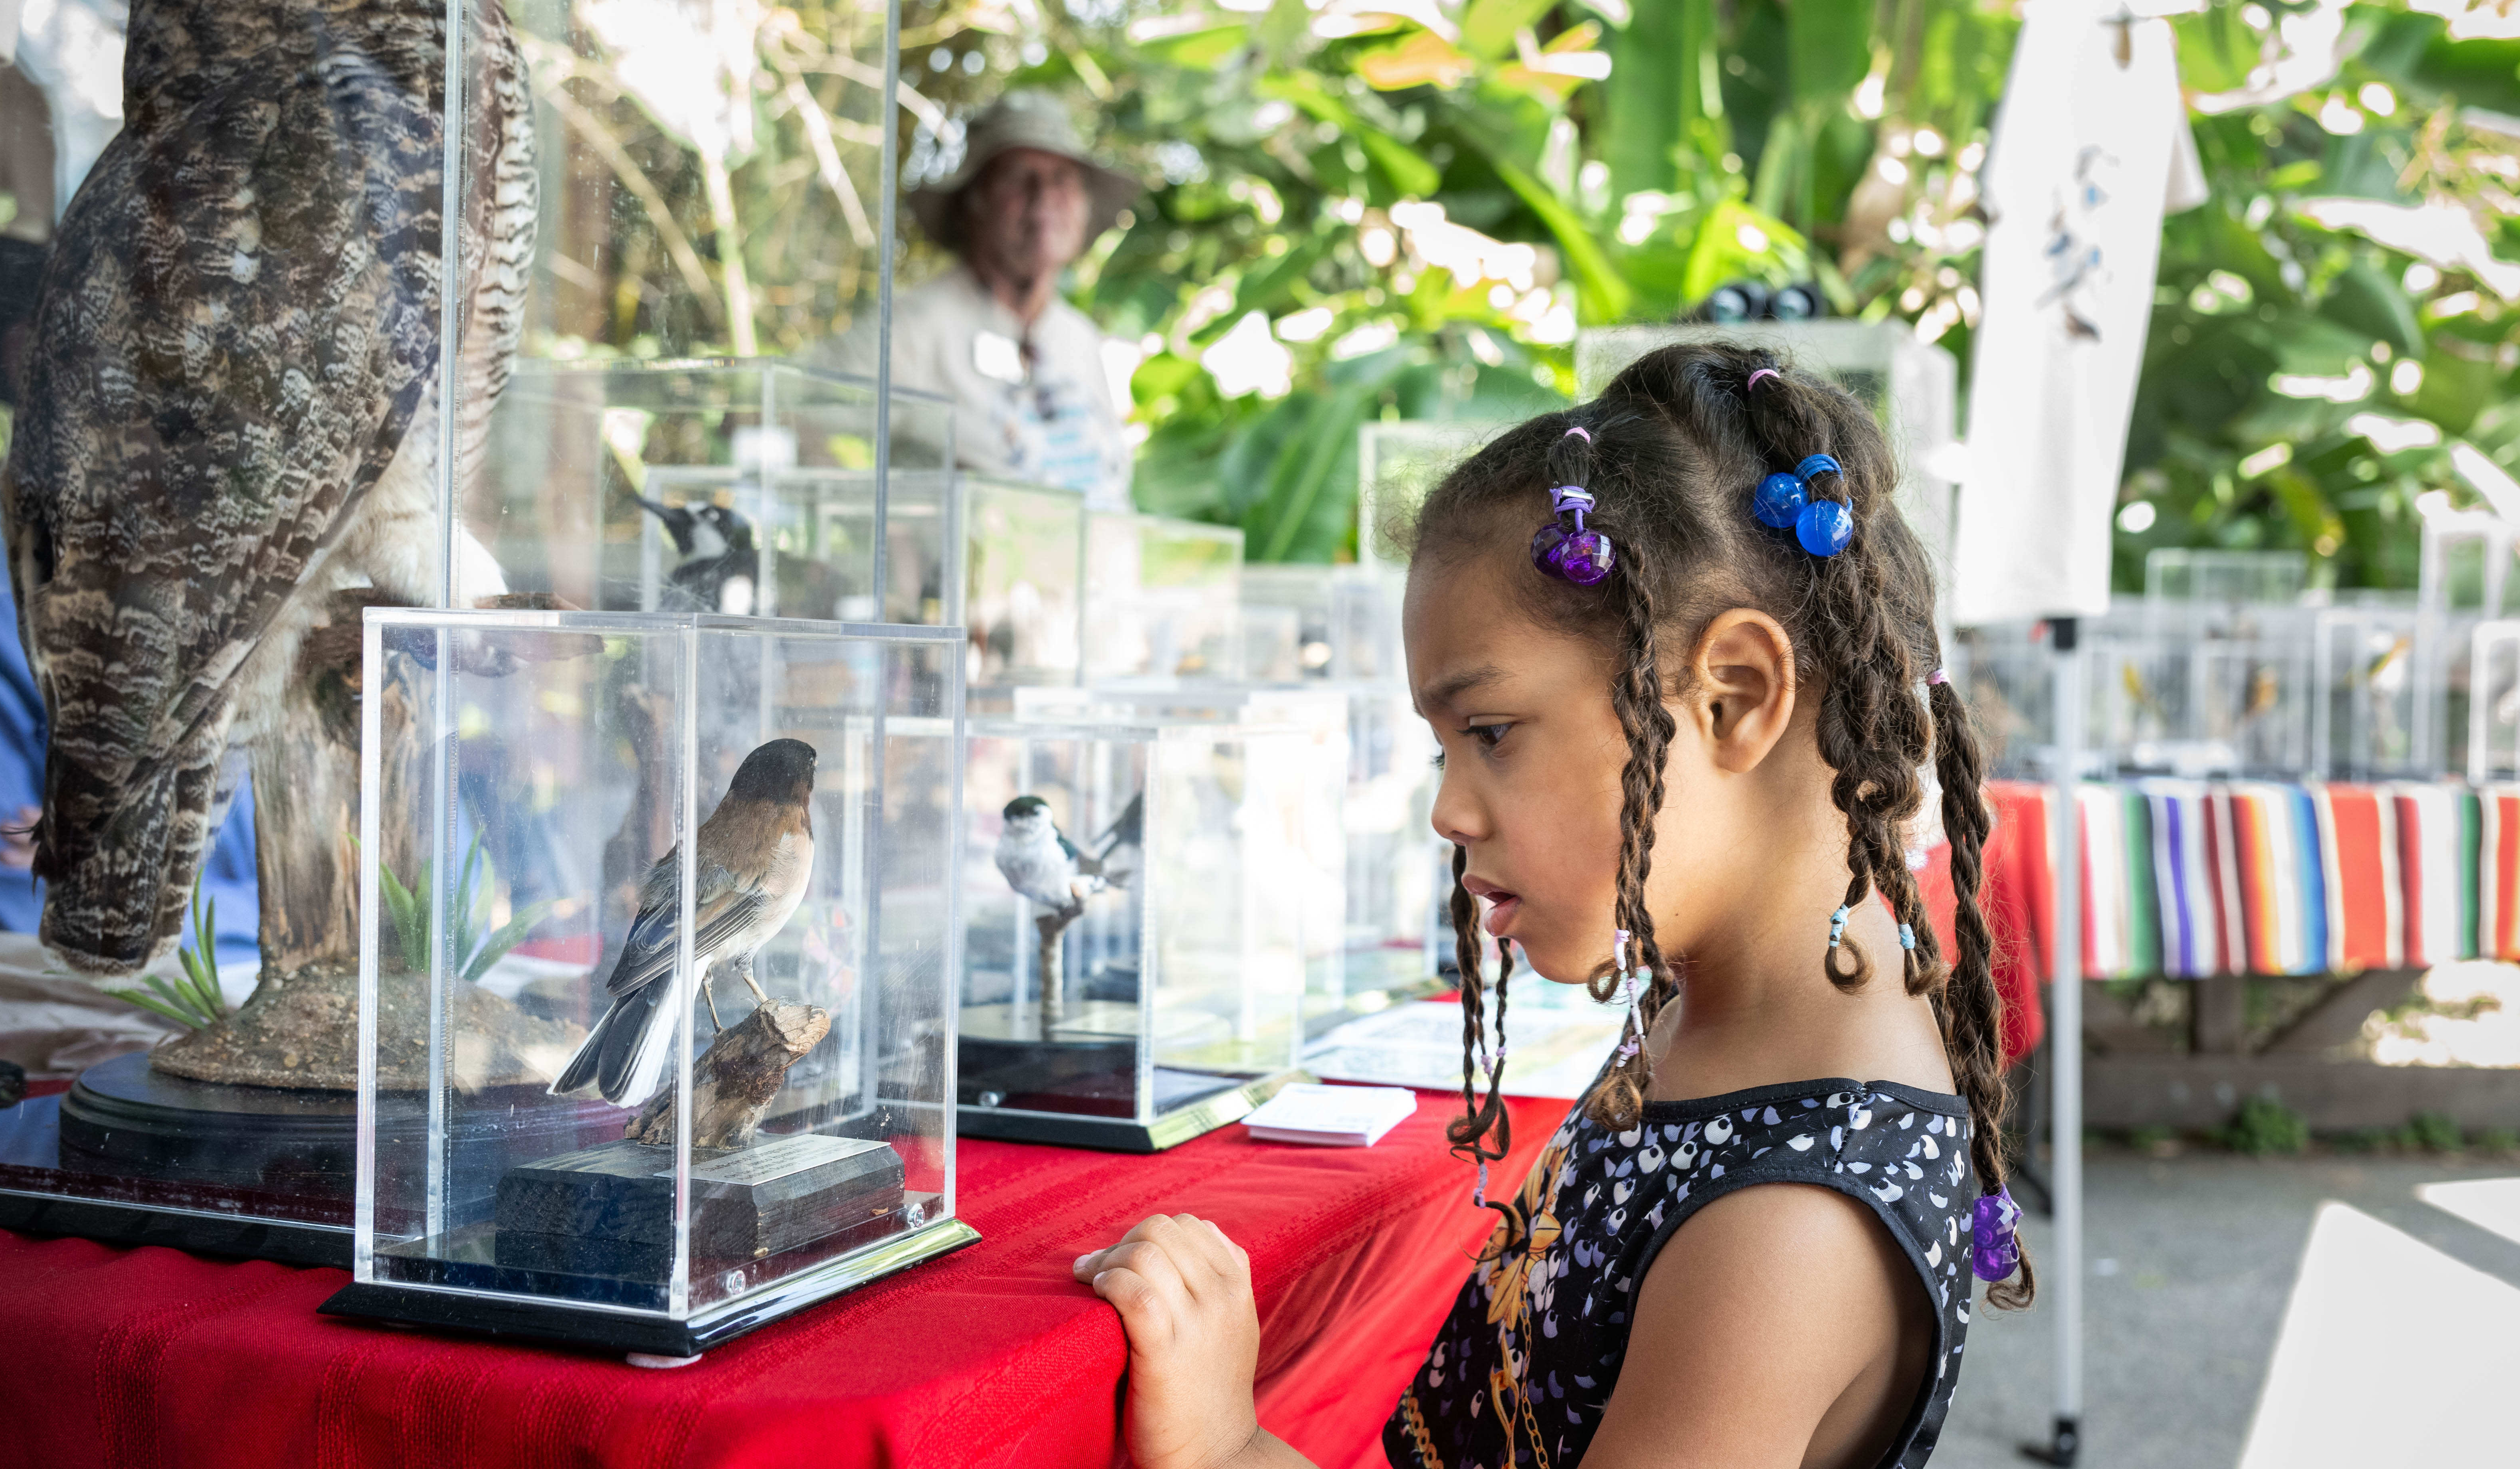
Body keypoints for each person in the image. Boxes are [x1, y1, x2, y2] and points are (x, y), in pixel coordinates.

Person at [1069, 342, 2031, 1469]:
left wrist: (1227, 1449)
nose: (1446, 811)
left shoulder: (1791, 1225)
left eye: (1488, 735)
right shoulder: (1711, 1026)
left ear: (1731, 699)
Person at [0, 235, 258, 1010]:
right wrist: (269, 910)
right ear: (34, 360)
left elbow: (430, 874)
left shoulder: (254, 567)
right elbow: (11, 919)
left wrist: (121, 878)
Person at [817, 91, 1141, 509]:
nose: (1043, 196)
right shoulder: (916, 329)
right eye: (1018, 177)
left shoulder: (1077, 337)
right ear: (974, 203)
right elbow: (764, 413)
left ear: (1084, 207)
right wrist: (875, 532)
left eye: (1063, 178)